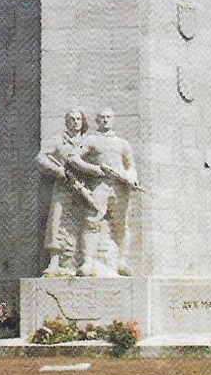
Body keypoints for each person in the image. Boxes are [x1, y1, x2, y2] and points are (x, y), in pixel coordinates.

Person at [67, 108, 139, 277]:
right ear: (97, 120)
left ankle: (122, 261)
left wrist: (131, 178)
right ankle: (87, 262)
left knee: (121, 224)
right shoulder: (92, 140)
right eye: (102, 118)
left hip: (119, 187)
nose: (105, 120)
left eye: (108, 117)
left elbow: (130, 166)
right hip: (99, 186)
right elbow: (73, 157)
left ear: (113, 120)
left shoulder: (122, 143)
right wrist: (94, 170)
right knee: (92, 221)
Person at [36, 108, 90, 275]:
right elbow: (41, 158)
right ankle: (54, 261)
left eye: (78, 119)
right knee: (56, 220)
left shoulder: (88, 141)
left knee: (87, 221)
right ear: (66, 122)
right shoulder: (58, 140)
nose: (75, 122)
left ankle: (85, 260)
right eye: (72, 119)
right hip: (63, 185)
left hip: (85, 187)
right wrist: (56, 170)